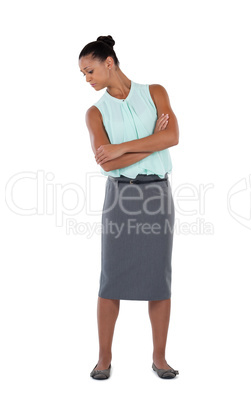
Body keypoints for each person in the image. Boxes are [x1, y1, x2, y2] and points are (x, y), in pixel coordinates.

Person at [78, 35, 180, 380]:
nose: (87, 79)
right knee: (111, 278)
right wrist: (152, 140)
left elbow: (173, 137)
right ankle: (103, 358)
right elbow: (106, 164)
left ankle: (160, 358)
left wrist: (122, 149)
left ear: (109, 62)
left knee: (159, 278)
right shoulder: (95, 112)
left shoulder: (155, 92)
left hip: (156, 196)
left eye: (90, 70)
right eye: (83, 75)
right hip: (120, 197)